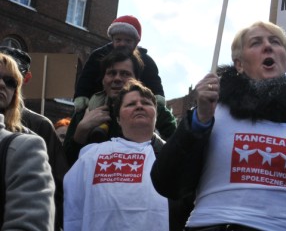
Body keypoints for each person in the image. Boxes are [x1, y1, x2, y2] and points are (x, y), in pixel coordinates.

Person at [151, 20, 286, 231]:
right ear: (239, 64)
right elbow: (168, 183)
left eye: (275, 42)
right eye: (255, 43)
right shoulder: (213, 107)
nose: (267, 46)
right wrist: (198, 122)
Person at [64, 80, 169, 231]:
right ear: (118, 119)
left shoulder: (171, 156)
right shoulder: (91, 155)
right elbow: (73, 202)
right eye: (130, 104)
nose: (139, 106)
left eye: (146, 103)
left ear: (156, 115)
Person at [63, 49, 176, 165]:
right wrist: (81, 131)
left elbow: (179, 153)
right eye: (111, 73)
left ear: (137, 81)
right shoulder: (86, 112)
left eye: (125, 74)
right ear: (103, 80)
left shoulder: (155, 110)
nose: (117, 79)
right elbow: (65, 164)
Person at [0, 46, 69, 231]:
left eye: (10, 80)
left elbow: (57, 186)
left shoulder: (38, 128)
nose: (2, 84)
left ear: (25, 79)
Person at [73, 15, 165, 112]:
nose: (122, 44)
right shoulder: (98, 55)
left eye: (128, 40)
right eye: (118, 40)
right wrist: (81, 95)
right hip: (102, 97)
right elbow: (87, 77)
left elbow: (153, 80)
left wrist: (157, 95)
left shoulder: (146, 61)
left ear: (136, 42)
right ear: (112, 40)